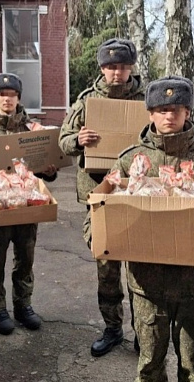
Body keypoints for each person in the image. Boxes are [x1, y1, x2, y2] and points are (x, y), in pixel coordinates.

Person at [110, 76, 194, 381]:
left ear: (188, 112)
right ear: (150, 113)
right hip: (147, 283)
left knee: (192, 365)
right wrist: (100, 237)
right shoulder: (132, 160)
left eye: (177, 108)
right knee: (149, 364)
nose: (169, 115)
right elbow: (104, 206)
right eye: (161, 109)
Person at [58, 38, 146, 357]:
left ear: (131, 68)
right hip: (98, 194)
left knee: (139, 270)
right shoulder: (86, 101)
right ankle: (112, 328)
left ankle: (143, 331)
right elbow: (63, 140)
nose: (116, 73)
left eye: (122, 67)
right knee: (107, 266)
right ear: (101, 68)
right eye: (110, 67)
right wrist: (77, 139)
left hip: (136, 194)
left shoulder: (145, 99)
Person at [0, 73, 57, 335]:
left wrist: (50, 169)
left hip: (26, 205)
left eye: (11, 94)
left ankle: (24, 306)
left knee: (25, 259)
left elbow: (45, 169)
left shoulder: (31, 129)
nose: (6, 99)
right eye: (1, 94)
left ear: (18, 98)